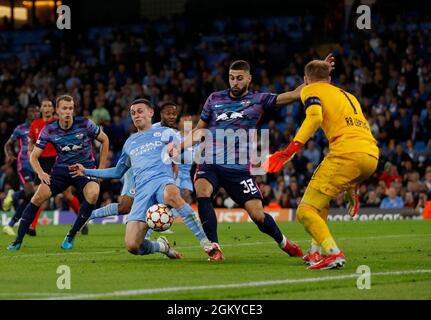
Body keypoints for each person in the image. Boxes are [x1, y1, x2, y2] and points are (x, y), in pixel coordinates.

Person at [182, 57, 335, 260]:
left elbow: (294, 95)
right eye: (231, 78)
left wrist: (317, 76)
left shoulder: (259, 100)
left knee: (257, 215)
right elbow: (200, 130)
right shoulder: (214, 99)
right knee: (202, 190)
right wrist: (180, 146)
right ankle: (214, 247)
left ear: (249, 79)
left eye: (239, 78)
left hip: (239, 169)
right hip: (210, 162)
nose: (234, 82)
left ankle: (284, 242)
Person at [264, 60, 379, 270]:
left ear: (305, 80)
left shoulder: (311, 89)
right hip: (370, 155)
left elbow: (314, 117)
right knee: (321, 203)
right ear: (330, 78)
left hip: (346, 154)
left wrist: (290, 149)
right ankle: (315, 252)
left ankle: (334, 254)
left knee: (305, 211)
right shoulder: (348, 95)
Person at [70, 99, 217, 259]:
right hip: (141, 193)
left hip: (163, 182)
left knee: (173, 196)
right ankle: (161, 246)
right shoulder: (130, 142)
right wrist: (86, 172)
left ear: (151, 112)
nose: (136, 115)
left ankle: (208, 244)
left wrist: (174, 153)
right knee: (133, 246)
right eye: (133, 113)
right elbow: (117, 172)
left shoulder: (166, 133)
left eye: (140, 111)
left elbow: (182, 149)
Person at [7, 95, 109, 251]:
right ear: (57, 110)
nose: (68, 112)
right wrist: (41, 173)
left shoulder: (85, 124)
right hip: (61, 170)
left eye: (70, 108)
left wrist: (101, 170)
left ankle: (71, 235)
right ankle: (17, 240)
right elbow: (34, 156)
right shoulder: (49, 129)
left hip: (84, 169)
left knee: (93, 193)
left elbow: (105, 139)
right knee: (38, 196)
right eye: (64, 108)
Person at [6, 98, 85, 236]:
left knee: (67, 194)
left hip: (57, 160)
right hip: (41, 162)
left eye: (49, 106)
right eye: (44, 106)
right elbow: (31, 143)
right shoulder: (35, 124)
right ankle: (32, 226)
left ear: (53, 109)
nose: (47, 108)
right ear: (41, 109)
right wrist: (31, 152)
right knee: (39, 194)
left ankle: (82, 220)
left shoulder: (57, 122)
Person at [2, 106, 38, 236]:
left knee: (30, 197)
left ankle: (10, 225)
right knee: (30, 192)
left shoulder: (41, 128)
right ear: (27, 113)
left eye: (35, 111)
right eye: (31, 111)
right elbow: (7, 144)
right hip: (24, 164)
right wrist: (9, 155)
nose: (34, 113)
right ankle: (13, 196)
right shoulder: (21, 128)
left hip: (37, 166)